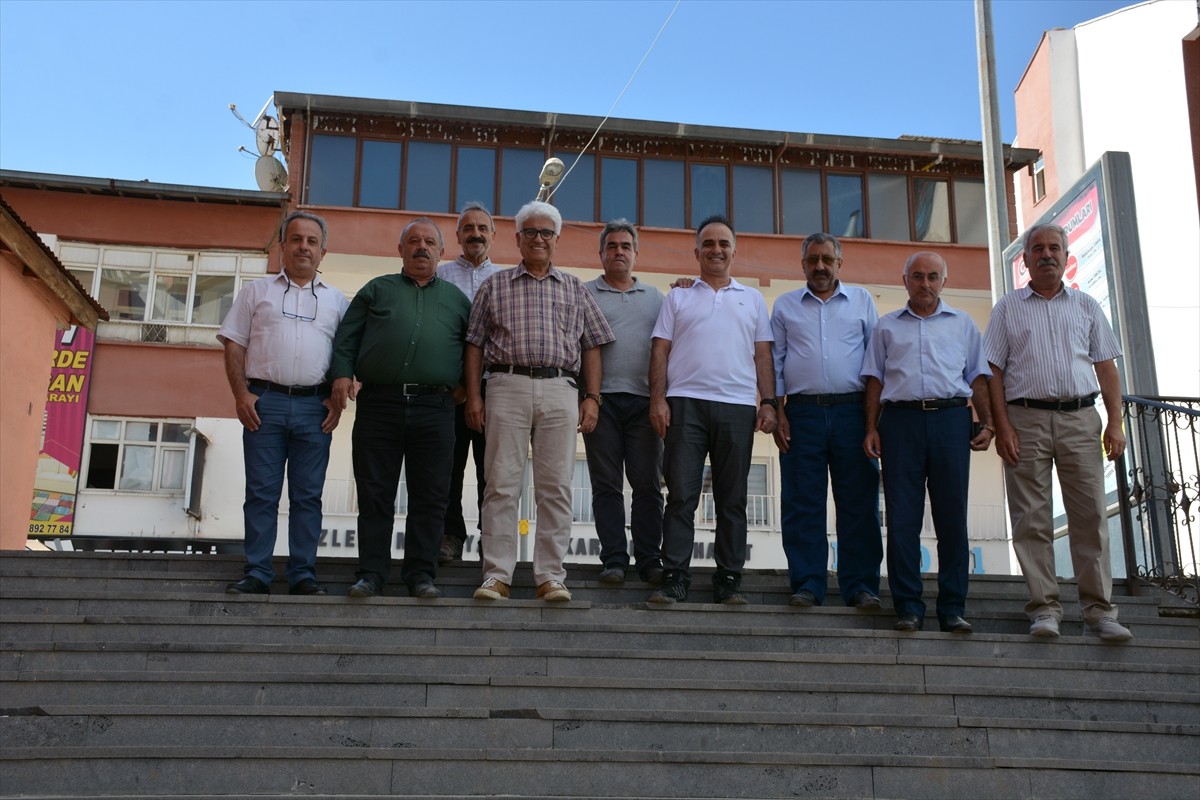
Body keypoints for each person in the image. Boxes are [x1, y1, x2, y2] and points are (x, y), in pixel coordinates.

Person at [984, 223, 1132, 641]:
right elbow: (991, 371)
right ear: (1026, 260)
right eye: (1037, 249)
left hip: (1080, 418)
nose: (1046, 254)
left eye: (1054, 248)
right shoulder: (1007, 309)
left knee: (1089, 517)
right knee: (1030, 519)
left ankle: (1101, 613)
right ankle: (1044, 609)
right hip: (1024, 420)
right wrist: (1001, 426)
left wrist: (1116, 423)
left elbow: (1106, 367)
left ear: (1067, 256)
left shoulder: (1086, 306)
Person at [463, 200, 614, 602]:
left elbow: (593, 347)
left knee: (556, 488)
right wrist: (474, 395)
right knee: (501, 484)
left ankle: (550, 576)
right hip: (506, 386)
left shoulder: (575, 288)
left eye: (546, 232)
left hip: (560, 388)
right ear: (517, 238)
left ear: (557, 240)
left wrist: (592, 398)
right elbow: (474, 345)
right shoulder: (493, 286)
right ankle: (497, 575)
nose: (538, 239)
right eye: (530, 231)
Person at [328, 218, 471, 599]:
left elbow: (475, 350)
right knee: (375, 494)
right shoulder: (376, 289)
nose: (421, 247)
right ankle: (371, 574)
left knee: (431, 496)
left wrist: (466, 389)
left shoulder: (458, 300)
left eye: (429, 242)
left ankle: (421, 575)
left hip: (436, 409)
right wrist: (342, 374)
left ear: (442, 252)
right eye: (413, 241)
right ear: (401, 250)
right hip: (380, 404)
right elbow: (347, 339)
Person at [861, 252, 994, 633]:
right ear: (904, 281)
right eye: (917, 276)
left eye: (933, 277)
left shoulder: (963, 324)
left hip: (951, 421)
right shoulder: (886, 327)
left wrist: (985, 422)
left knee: (952, 518)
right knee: (902, 519)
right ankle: (908, 607)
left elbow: (978, 377)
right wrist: (871, 427)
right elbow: (873, 379)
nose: (925, 283)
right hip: (900, 422)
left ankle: (952, 608)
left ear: (943, 282)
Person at [218, 211, 349, 596]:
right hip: (265, 404)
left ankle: (303, 574)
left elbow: (348, 356)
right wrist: (241, 394)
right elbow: (233, 344)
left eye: (311, 241)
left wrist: (339, 399)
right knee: (261, 493)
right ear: (282, 246)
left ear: (323, 252)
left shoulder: (337, 302)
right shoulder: (255, 292)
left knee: (308, 496)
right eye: (296, 239)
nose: (303, 247)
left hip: (315, 409)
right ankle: (257, 571)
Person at [648, 215, 777, 605]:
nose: (716, 250)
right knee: (682, 496)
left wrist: (768, 401)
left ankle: (729, 579)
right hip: (685, 404)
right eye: (708, 243)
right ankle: (674, 577)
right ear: (697, 251)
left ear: (734, 251)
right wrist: (658, 399)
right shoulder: (678, 296)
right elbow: (660, 350)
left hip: (737, 407)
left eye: (723, 243)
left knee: (732, 497)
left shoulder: (752, 298)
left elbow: (763, 355)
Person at [770, 232, 883, 610]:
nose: (820, 266)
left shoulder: (862, 301)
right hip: (802, 414)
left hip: (853, 412)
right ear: (802, 264)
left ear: (839, 264)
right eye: (813, 259)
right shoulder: (785, 306)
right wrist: (780, 411)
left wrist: (872, 424)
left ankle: (861, 586)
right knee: (802, 502)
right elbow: (777, 364)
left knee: (859, 502)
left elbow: (875, 366)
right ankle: (807, 583)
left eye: (827, 259)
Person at [583, 219, 665, 586]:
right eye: (612, 246)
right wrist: (587, 397)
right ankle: (614, 559)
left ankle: (649, 559)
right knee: (606, 485)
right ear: (601, 253)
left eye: (625, 246)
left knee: (648, 485)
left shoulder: (657, 298)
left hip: (646, 403)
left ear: (635, 253)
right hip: (600, 403)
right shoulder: (584, 293)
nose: (619, 251)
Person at [435, 202, 502, 564]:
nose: (475, 234)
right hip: (448, 389)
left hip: (497, 387)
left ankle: (491, 541)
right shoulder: (441, 276)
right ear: (457, 236)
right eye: (468, 228)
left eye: (482, 228)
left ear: (493, 235)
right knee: (448, 467)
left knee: (494, 470)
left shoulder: (508, 278)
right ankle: (450, 536)